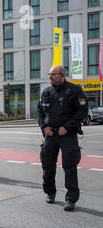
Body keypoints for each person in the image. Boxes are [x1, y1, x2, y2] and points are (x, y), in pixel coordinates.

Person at [38, 65, 89, 212]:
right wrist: (43, 127)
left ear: (62, 75)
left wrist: (67, 126)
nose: (50, 77)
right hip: (50, 134)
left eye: (53, 74)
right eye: (49, 74)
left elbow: (82, 111)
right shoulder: (46, 92)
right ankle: (50, 192)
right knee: (47, 165)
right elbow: (40, 111)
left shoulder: (74, 90)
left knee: (69, 166)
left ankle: (71, 198)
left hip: (67, 134)